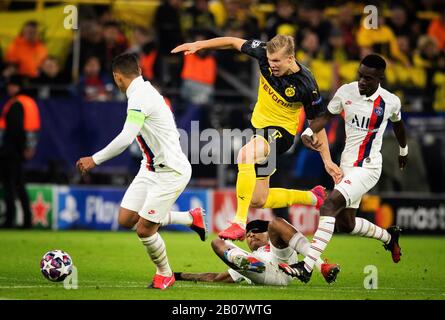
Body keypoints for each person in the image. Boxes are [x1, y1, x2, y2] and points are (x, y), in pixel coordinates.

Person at [172, 35, 343, 240]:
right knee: (258, 200)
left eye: (277, 61)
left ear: (290, 59)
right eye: (270, 60)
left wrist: (327, 160)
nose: (272, 65)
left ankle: (238, 223)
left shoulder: (306, 84)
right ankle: (312, 197)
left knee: (245, 155)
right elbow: (234, 42)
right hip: (259, 130)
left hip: (281, 133)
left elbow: (317, 124)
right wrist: (199, 44)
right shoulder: (264, 52)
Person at [76, 53, 206, 290]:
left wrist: (94, 160)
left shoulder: (140, 98)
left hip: (171, 172)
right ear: (139, 69)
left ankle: (165, 274)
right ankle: (189, 218)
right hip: (149, 168)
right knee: (126, 219)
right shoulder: (145, 91)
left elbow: (126, 138)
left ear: (117, 77)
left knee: (145, 229)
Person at [285, 54, 407, 283]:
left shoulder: (390, 101)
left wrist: (404, 151)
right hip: (347, 165)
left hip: (369, 167)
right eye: (360, 75)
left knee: (329, 205)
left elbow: (399, 125)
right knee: (346, 224)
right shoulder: (346, 92)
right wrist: (309, 132)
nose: (362, 81)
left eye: (368, 78)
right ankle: (389, 237)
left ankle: (307, 267)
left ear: (380, 78)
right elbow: (326, 117)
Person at [174, 219, 340, 285]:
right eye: (248, 234)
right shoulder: (253, 254)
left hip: (283, 265)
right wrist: (179, 275)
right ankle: (246, 264)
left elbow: (278, 230)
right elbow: (216, 278)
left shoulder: (279, 243)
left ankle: (319, 265)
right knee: (217, 242)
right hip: (261, 273)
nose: (251, 234)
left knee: (276, 223)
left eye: (256, 231)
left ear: (268, 235)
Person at [0, 75, 41, 228]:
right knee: (19, 185)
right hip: (20, 151)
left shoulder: (16, 104)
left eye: (12, 85)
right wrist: (29, 147)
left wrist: (13, 148)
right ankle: (27, 221)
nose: (9, 88)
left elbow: (14, 129)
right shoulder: (29, 103)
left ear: (17, 87)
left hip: (11, 151)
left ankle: (10, 220)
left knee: (10, 186)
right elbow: (32, 129)